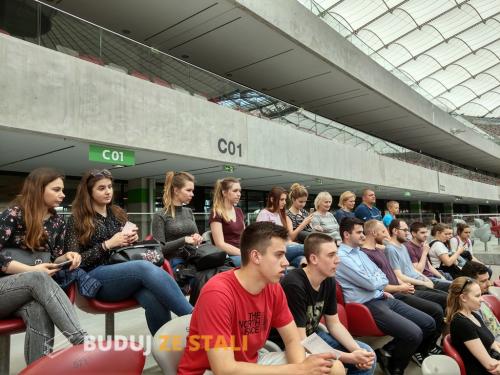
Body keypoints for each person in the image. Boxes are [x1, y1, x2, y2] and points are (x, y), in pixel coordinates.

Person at [177, 222, 341, 375]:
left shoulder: (273, 287)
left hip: (252, 362)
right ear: (256, 256)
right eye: (279, 255)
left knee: (332, 367)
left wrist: (302, 369)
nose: (285, 262)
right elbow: (224, 368)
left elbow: (292, 339)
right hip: (210, 371)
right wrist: (297, 369)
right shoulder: (217, 294)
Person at [64, 168, 193, 335]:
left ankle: (168, 350)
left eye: (109, 186)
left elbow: (124, 250)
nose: (108, 191)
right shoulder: (77, 219)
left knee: (152, 297)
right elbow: (74, 261)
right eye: (101, 188)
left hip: (125, 274)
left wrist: (131, 240)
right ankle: (195, 319)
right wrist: (107, 245)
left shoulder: (117, 213)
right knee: (143, 268)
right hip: (95, 278)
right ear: (89, 192)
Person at [0, 167, 86, 364]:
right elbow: (36, 273)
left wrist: (67, 256)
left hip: (26, 295)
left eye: (62, 190)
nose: (62, 195)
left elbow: (53, 260)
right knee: (38, 278)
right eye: (56, 189)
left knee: (38, 310)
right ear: (38, 189)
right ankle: (81, 341)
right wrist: (31, 271)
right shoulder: (12, 215)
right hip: (3, 291)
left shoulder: (57, 222)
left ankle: (39, 369)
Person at [335, 217, 435, 374]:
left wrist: (376, 282)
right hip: (367, 305)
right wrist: (375, 281)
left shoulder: (359, 253)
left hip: (382, 296)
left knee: (429, 323)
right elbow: (369, 282)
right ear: (346, 234)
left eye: (363, 232)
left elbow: (381, 277)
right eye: (359, 232)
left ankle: (390, 352)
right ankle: (395, 368)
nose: (363, 235)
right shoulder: (341, 256)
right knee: (414, 334)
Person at [279, 232, 376, 374]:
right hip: (290, 345)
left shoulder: (328, 278)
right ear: (314, 258)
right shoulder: (294, 284)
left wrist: (357, 351)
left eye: (336, 254)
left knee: (367, 355)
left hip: (313, 335)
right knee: (338, 366)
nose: (338, 260)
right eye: (331, 255)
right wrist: (350, 357)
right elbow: (300, 340)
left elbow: (334, 324)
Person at [361, 220, 444, 364]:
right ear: (374, 233)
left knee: (438, 308)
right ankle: (415, 351)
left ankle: (399, 349)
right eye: (383, 232)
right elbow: (379, 285)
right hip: (394, 293)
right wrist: (403, 287)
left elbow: (392, 276)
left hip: (400, 289)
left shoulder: (379, 250)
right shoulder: (367, 254)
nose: (386, 235)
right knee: (435, 312)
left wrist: (404, 284)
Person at [385, 219, 448, 311]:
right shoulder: (390, 249)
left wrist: (426, 279)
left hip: (420, 280)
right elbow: (399, 276)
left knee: (450, 293)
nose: (407, 233)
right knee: (445, 298)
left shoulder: (403, 246)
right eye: (405, 230)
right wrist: (424, 282)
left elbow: (413, 269)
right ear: (395, 231)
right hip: (413, 285)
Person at [447, 277, 500, 374]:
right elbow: (490, 365)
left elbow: (493, 344)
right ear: (463, 298)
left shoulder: (473, 314)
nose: (482, 299)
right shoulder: (461, 323)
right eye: (477, 296)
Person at [152, 171, 203, 267]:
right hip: (174, 262)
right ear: (176, 190)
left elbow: (196, 237)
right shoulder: (160, 215)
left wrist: (197, 238)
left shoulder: (189, 211)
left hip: (193, 257)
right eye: (188, 190)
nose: (192, 194)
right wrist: (184, 240)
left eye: (192, 191)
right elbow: (158, 249)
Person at [256, 187, 305, 267]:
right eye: (281, 200)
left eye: (285, 200)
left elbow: (286, 237)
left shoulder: (280, 214)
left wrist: (292, 243)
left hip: (284, 247)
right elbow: (263, 238)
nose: (284, 202)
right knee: (309, 247)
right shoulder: (264, 214)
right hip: (273, 249)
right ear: (272, 199)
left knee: (302, 259)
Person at [406, 221, 451, 291]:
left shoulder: (422, 245)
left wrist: (441, 277)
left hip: (432, 275)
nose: (426, 235)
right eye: (422, 233)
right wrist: (424, 253)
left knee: (459, 281)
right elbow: (418, 270)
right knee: (455, 286)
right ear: (413, 233)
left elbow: (429, 266)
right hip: (425, 278)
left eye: (426, 232)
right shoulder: (409, 247)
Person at [209, 178, 244, 266]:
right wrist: (243, 253)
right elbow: (220, 244)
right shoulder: (216, 213)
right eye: (235, 191)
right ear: (224, 193)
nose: (239, 194)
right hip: (229, 257)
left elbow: (245, 235)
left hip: (242, 252)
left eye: (240, 191)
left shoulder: (239, 211)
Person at [461, 261, 500, 339]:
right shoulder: (470, 309)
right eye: (483, 281)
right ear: (470, 283)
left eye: (488, 279)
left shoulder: (482, 300)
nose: (489, 284)